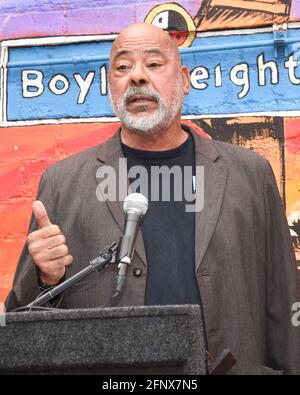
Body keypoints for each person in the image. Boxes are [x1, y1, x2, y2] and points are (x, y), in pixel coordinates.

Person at [5, 23, 299, 374]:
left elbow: (285, 307)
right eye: (123, 67)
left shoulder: (250, 174)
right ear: (110, 85)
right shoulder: (62, 183)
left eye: (154, 64)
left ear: (185, 80)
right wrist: (45, 281)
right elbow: (20, 328)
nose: (137, 77)